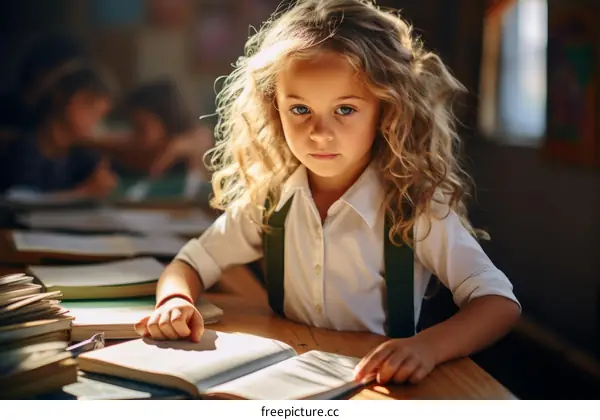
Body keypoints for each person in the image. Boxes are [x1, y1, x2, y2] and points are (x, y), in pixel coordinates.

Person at [134, 0, 521, 385]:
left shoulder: (413, 207)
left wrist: (427, 347)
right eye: (300, 110)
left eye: (345, 110)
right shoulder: (270, 202)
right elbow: (189, 264)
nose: (320, 133)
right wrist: (175, 301)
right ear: (274, 109)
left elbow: (498, 304)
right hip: (285, 383)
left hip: (379, 388)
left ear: (387, 110)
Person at [0, 35, 117, 198]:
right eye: (93, 112)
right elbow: (21, 201)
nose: (95, 124)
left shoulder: (81, 155)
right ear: (69, 100)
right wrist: (83, 193)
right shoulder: (25, 149)